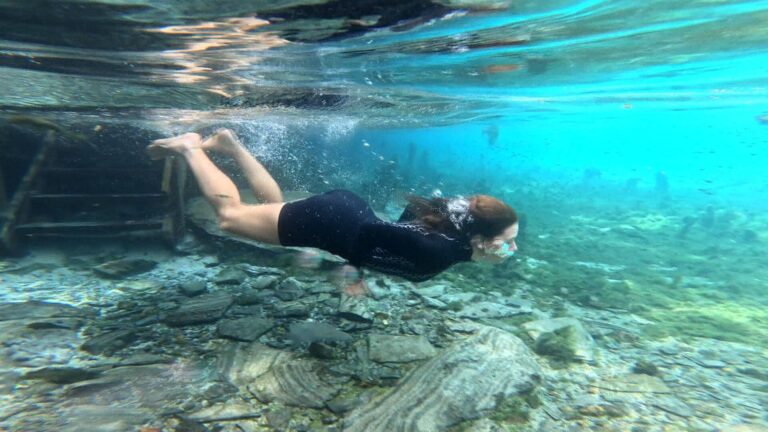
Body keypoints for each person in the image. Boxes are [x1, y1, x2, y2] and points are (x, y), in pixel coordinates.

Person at [147, 129, 519, 294]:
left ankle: (230, 144)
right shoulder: (440, 250)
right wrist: (354, 272)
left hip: (344, 211)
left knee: (267, 208)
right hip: (329, 222)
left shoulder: (454, 244)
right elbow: (375, 235)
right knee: (229, 218)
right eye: (507, 242)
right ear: (481, 241)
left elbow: (407, 216)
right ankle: (190, 147)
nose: (513, 250)